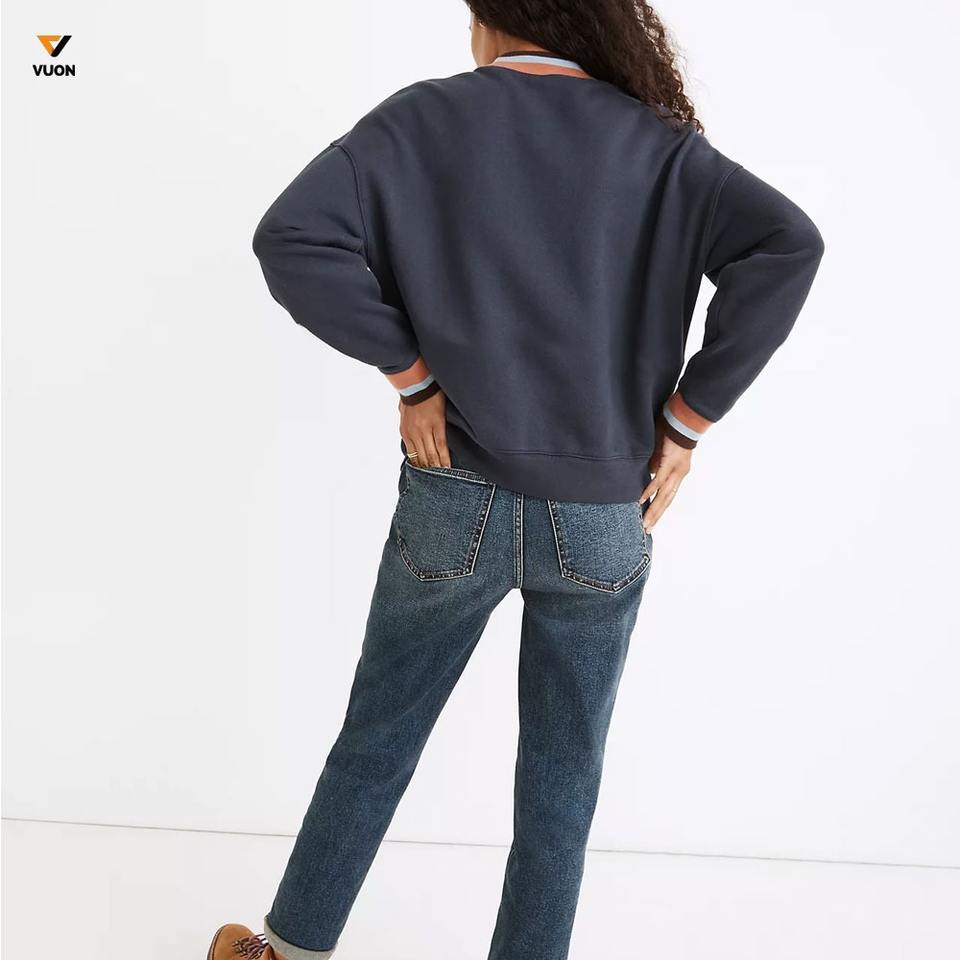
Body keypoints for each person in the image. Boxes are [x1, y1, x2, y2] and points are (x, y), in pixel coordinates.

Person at [209, 2, 824, 958]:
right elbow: (789, 244)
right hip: (607, 509)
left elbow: (290, 238)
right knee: (563, 779)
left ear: (493, 21)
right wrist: (686, 423)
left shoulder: (420, 119)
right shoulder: (660, 148)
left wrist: (412, 376)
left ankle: (285, 954)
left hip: (452, 488)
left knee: (377, 738)